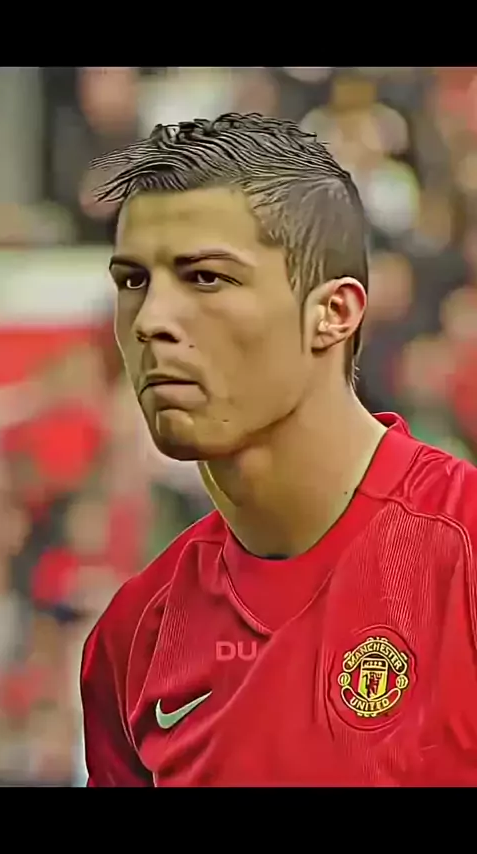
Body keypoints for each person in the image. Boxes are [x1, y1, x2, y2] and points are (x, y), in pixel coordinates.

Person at [80, 113, 477, 787]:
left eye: (205, 278)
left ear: (334, 313)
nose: (151, 322)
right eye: (133, 282)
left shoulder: (462, 553)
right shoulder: (133, 637)